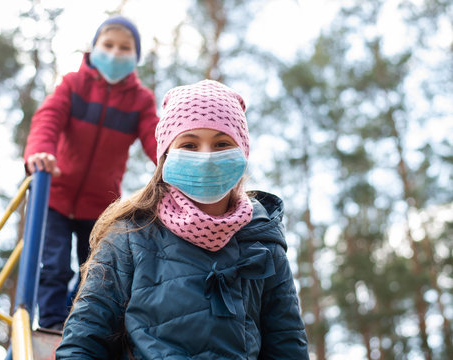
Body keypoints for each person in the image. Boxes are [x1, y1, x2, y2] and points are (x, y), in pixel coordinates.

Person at [56, 79, 309, 359]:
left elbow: (287, 346)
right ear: (166, 155)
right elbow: (83, 342)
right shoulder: (128, 236)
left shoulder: (264, 242)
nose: (207, 158)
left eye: (222, 143)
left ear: (242, 152)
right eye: (189, 144)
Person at [23, 15, 159, 330]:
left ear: (135, 57)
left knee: (95, 269)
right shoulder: (74, 85)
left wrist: (173, 163)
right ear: (93, 48)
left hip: (101, 204)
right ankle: (53, 323)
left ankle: (77, 324)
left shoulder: (140, 100)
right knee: (54, 265)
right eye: (108, 45)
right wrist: (39, 153)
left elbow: (154, 136)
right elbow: (48, 118)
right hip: (54, 194)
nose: (114, 53)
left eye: (124, 48)